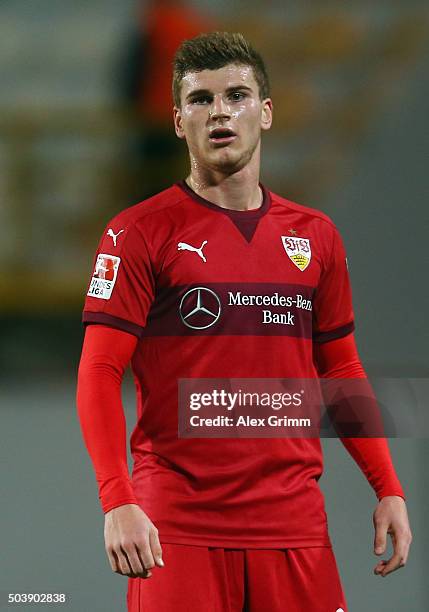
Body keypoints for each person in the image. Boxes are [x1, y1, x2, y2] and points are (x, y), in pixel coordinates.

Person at [77, 32, 412, 612]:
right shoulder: (136, 234)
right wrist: (117, 501)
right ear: (179, 121)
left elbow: (342, 369)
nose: (220, 112)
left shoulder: (317, 237)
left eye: (236, 94)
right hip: (177, 530)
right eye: (200, 100)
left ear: (267, 111)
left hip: (295, 527)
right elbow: (100, 370)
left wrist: (387, 487)